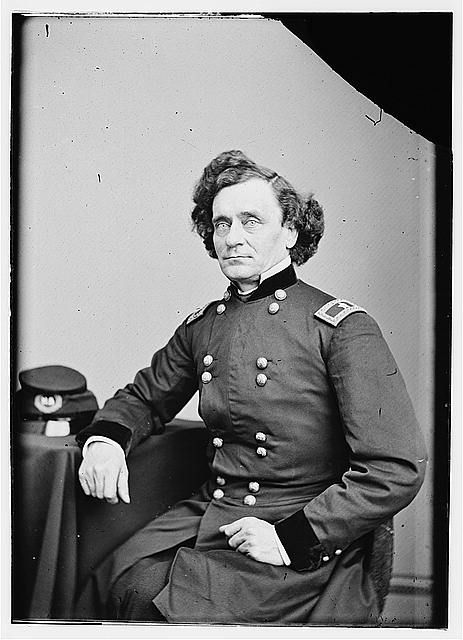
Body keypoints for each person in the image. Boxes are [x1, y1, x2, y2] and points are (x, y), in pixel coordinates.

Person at [75, 150, 427, 625]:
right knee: (118, 585)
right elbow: (145, 397)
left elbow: (396, 467)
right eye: (221, 224)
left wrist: (290, 539)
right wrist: (104, 441)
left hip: (298, 534)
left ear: (291, 232)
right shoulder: (204, 326)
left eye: (251, 221)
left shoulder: (341, 328)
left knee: (175, 617)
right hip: (213, 513)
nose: (232, 237)